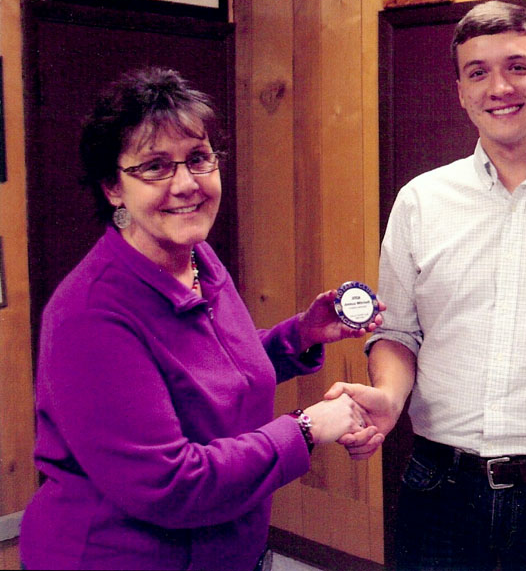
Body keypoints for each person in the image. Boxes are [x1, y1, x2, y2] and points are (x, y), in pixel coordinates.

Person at [19, 67, 383, 571]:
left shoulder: (197, 259)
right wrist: (305, 429)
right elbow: (170, 485)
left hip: (230, 549)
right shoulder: (88, 314)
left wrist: (298, 336)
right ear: (112, 187)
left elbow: (204, 378)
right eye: (155, 166)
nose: (187, 184)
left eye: (198, 158)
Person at [328, 0, 526, 570]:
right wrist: (390, 399)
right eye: (478, 72)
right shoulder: (420, 201)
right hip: (437, 488)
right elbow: (397, 333)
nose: (499, 87)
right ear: (461, 92)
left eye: (517, 67)